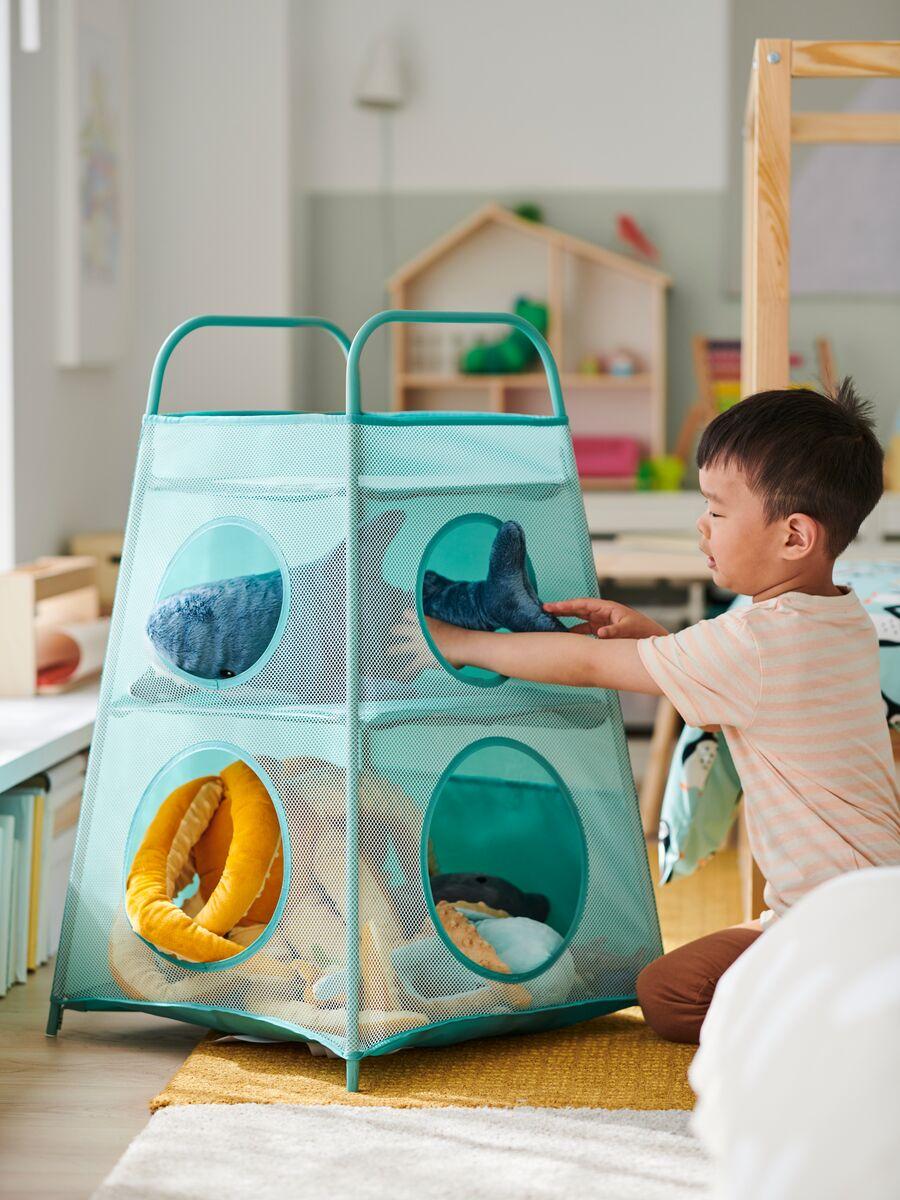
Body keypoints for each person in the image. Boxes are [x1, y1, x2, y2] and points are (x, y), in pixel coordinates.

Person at [427, 379, 900, 1043]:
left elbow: (591, 666)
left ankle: (839, 1020)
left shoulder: (755, 642)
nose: (701, 526)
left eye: (717, 510)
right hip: (865, 908)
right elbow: (752, 684)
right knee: (694, 975)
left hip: (839, 926)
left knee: (667, 995)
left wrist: (460, 642)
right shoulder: (842, 617)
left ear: (794, 536)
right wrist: (660, 640)